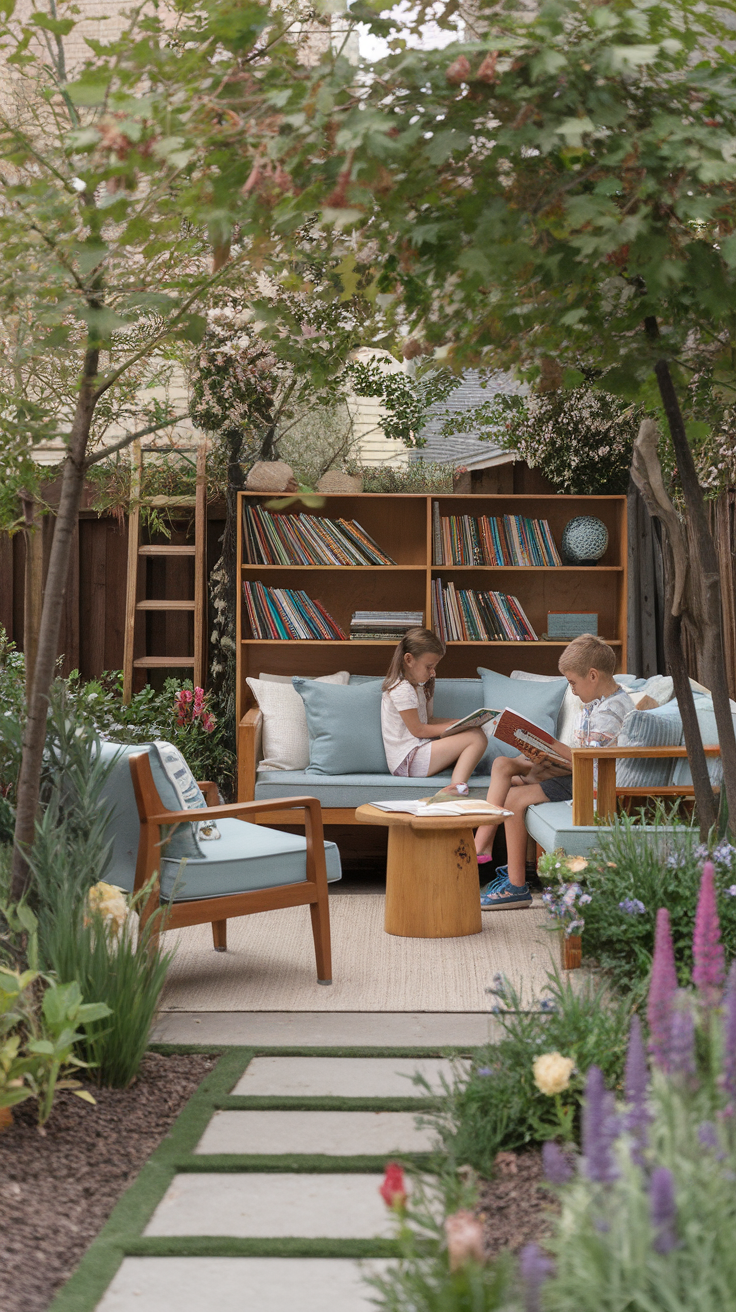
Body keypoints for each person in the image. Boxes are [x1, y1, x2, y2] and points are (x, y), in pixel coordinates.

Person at [474, 634, 636, 910]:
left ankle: (514, 884)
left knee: (513, 798)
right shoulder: (599, 705)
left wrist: (550, 745)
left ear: (593, 675)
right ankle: (487, 851)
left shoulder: (611, 712)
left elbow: (588, 760)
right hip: (578, 773)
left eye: (573, 682)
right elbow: (583, 754)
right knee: (506, 768)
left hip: (589, 782)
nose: (571, 690)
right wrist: (546, 756)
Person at [381, 628, 488, 788]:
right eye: (429, 667)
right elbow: (418, 730)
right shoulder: (402, 689)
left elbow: (428, 721)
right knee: (476, 738)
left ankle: (468, 780)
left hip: (417, 752)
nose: (433, 673)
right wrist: (452, 727)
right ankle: (456, 788)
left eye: (434, 667)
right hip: (407, 760)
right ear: (409, 660)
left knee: (476, 733)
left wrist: (461, 723)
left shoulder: (418, 686)